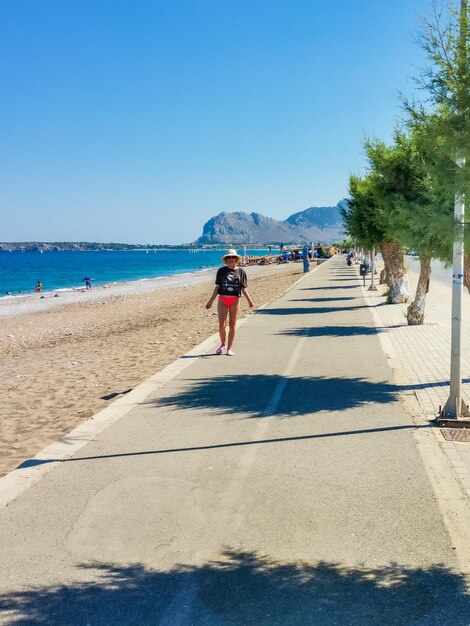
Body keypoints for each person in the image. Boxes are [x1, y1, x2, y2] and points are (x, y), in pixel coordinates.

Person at [206, 249, 255, 356]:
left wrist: (249, 300)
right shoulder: (221, 271)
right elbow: (217, 287)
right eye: (229, 257)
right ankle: (222, 345)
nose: (231, 259)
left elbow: (243, 288)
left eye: (233, 257)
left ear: (236, 259)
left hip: (235, 300)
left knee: (232, 325)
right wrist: (210, 301)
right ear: (226, 259)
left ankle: (229, 348)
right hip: (222, 299)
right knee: (221, 325)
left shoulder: (241, 271)